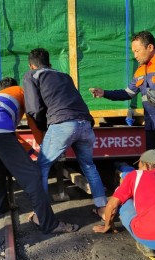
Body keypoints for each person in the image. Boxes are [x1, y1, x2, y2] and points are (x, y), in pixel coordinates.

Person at [0, 77, 79, 234]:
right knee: (33, 176)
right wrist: (43, 146)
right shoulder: (23, 91)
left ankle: (2, 206)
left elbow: (12, 139)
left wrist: (32, 152)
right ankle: (49, 224)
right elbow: (33, 121)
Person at [90, 31, 155, 179]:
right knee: (152, 165)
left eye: (137, 51)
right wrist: (104, 93)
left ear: (150, 47)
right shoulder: (140, 71)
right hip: (151, 126)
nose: (135, 55)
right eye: (133, 51)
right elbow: (127, 93)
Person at [23, 48, 108, 219]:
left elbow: (34, 108)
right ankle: (103, 209)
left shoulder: (31, 75)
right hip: (85, 122)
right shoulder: (65, 76)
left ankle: (42, 214)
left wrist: (43, 127)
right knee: (89, 166)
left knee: (43, 165)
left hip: (62, 123)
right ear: (50, 63)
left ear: (31, 65)